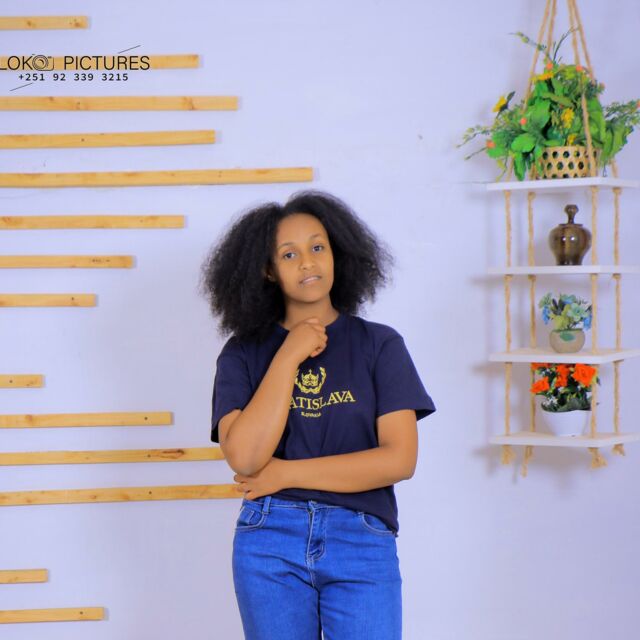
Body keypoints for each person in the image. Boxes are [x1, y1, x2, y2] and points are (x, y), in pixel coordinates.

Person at [199, 190, 436, 640]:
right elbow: (245, 457)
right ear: (268, 270)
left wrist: (286, 473)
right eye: (289, 254)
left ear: (337, 253)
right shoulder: (243, 353)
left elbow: (399, 460)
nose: (307, 262)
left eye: (317, 247)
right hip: (269, 540)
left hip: (361, 538)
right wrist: (289, 355)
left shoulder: (380, 344)